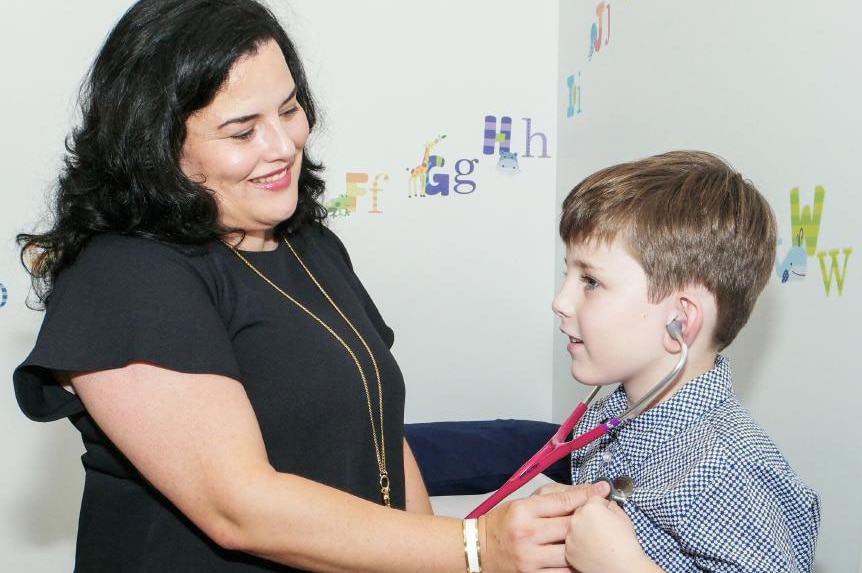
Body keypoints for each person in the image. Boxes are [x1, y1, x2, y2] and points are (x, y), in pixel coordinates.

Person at [13, 0, 603, 571]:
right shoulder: (124, 276)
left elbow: (379, 437)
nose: (283, 144)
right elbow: (238, 507)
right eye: (242, 132)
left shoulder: (309, 244)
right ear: (158, 148)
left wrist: (439, 558)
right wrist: (474, 549)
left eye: (289, 109)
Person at [552, 151, 821, 572]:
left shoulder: (731, 471)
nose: (560, 301)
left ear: (680, 320)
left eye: (590, 281)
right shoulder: (602, 426)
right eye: (568, 274)